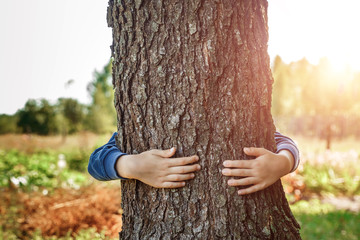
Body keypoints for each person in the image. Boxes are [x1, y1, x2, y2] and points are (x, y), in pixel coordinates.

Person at [88, 132, 299, 195]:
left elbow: (284, 142)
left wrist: (283, 162)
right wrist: (131, 166)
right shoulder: (134, 127)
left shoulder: (246, 117)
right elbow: (95, 163)